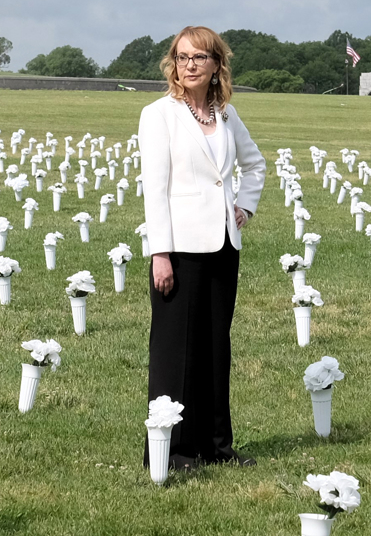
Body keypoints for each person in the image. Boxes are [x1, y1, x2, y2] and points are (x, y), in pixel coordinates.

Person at [138, 25, 266, 469]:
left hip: (223, 247)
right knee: (176, 350)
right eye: (181, 57)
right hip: (179, 250)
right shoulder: (159, 114)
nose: (188, 65)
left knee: (216, 347)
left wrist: (244, 208)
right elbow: (155, 190)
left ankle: (216, 447)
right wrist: (160, 252)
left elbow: (254, 164)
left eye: (198, 58)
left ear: (216, 65)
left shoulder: (226, 114)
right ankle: (173, 450)